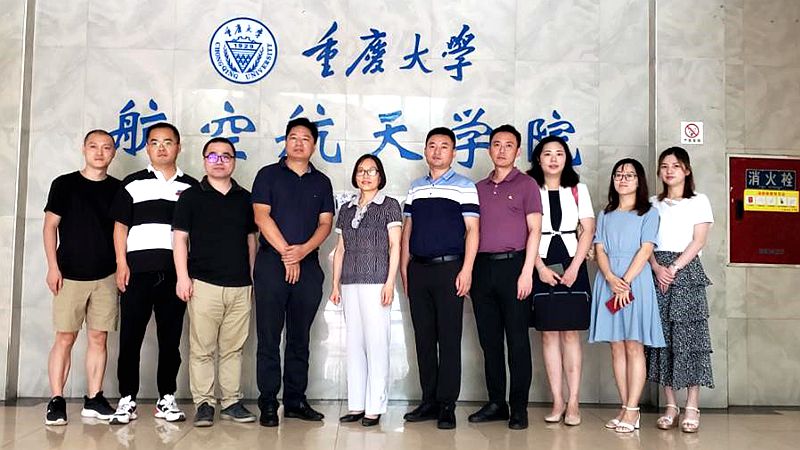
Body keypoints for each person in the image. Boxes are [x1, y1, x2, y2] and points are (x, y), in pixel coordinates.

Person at [110, 122, 199, 425]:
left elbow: (195, 234)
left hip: (175, 275)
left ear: (178, 147)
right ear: (147, 147)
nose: (161, 148)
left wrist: (188, 274)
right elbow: (120, 227)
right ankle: (126, 399)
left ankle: (167, 398)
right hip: (136, 272)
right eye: (155, 142)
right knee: (130, 338)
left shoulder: (192, 187)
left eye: (168, 142)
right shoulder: (132, 183)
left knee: (170, 340)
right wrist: (121, 264)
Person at [251, 118, 335, 427]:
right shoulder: (268, 175)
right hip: (272, 264)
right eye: (293, 137)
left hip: (308, 265)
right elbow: (261, 217)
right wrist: (288, 253)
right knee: (269, 336)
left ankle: (296, 400)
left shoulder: (321, 182)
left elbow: (326, 223)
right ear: (285, 141)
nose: (299, 143)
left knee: (300, 337)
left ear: (314, 145)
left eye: (305, 138)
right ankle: (268, 402)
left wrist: (302, 251)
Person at [172, 137, 258, 427]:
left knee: (234, 348)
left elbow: (251, 240)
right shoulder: (190, 197)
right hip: (203, 284)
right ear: (204, 160)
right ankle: (205, 403)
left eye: (226, 156)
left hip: (240, 285)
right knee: (202, 348)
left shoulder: (246, 199)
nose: (219, 161)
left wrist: (252, 278)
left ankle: (231, 402)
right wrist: (182, 277)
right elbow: (180, 239)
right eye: (213, 156)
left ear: (234, 161)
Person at [401, 127, 480, 430]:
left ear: (453, 153)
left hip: (450, 269)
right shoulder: (416, 187)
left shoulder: (464, 186)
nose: (437, 151)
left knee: (448, 338)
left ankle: (447, 404)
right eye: (432, 146)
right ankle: (429, 401)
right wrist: (405, 269)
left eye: (444, 146)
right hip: (418, 270)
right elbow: (408, 229)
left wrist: (467, 269)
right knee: (423, 338)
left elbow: (473, 230)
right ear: (425, 151)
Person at [43, 130, 120, 425]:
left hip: (106, 275)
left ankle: (94, 398)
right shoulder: (64, 184)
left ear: (113, 153)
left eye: (106, 147)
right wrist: (52, 266)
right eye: (93, 146)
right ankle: (56, 400)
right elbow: (50, 226)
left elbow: (121, 232)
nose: (99, 152)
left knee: (99, 337)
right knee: (65, 337)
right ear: (83, 149)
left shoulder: (118, 189)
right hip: (69, 274)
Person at [468, 125, 541, 430]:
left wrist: (527, 272)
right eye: (496, 144)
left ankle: (519, 408)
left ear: (518, 151)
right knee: (490, 342)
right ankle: (496, 402)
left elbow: (535, 230)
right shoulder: (478, 188)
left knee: (518, 341)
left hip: (515, 268)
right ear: (489, 149)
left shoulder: (527, 185)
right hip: (482, 269)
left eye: (508, 145)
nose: (501, 150)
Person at [589, 158, 665, 433]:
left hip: (636, 282)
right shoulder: (605, 214)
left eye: (629, 175)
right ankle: (625, 407)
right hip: (608, 281)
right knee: (616, 346)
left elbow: (646, 250)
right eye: (618, 175)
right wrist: (611, 278)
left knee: (634, 345)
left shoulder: (649, 213)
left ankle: (633, 410)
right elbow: (599, 249)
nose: (623, 179)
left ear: (639, 181)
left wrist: (625, 282)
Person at [330, 154, 402, 427]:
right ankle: (357, 405)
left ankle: (375, 407)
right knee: (354, 344)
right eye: (361, 170)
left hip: (377, 283)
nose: (366, 175)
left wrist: (390, 282)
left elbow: (395, 245)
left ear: (380, 176)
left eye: (371, 171)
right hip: (350, 283)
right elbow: (341, 250)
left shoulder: (389, 205)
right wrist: (335, 284)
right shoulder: (346, 209)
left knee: (376, 343)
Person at [527, 136, 595, 426]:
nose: (553, 159)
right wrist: (539, 268)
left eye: (559, 153)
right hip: (541, 261)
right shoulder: (529, 188)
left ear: (566, 158)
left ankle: (574, 401)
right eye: (547, 154)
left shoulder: (578, 189)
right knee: (548, 334)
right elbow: (524, 231)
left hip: (571, 261)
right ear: (538, 159)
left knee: (570, 334)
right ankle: (557, 400)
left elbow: (588, 229)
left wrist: (575, 267)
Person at [646, 147, 714, 433]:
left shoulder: (699, 200)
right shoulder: (652, 203)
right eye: (664, 166)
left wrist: (673, 268)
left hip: (686, 270)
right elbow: (645, 242)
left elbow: (699, 240)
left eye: (675, 165)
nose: (669, 171)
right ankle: (671, 405)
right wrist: (656, 267)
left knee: (690, 338)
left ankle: (692, 405)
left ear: (686, 170)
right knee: (662, 339)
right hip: (657, 270)